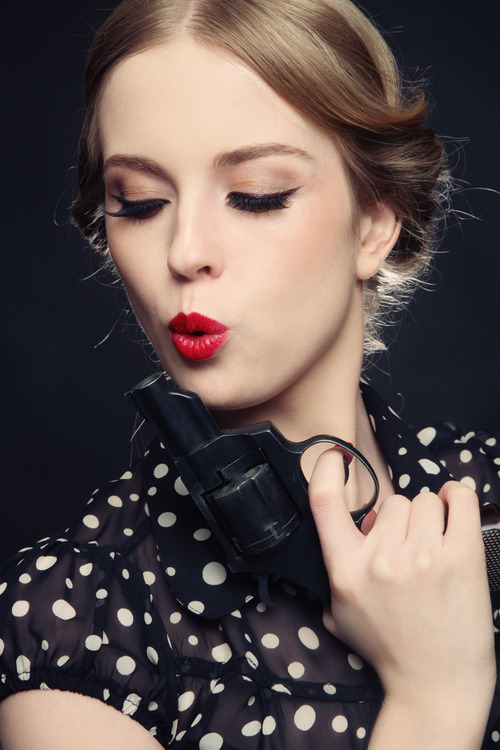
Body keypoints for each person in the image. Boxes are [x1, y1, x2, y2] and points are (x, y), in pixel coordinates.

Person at [0, 0, 498, 747]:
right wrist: (438, 692)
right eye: (139, 204)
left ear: (374, 221)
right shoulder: (73, 621)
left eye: (256, 195)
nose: (185, 252)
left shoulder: (488, 497)